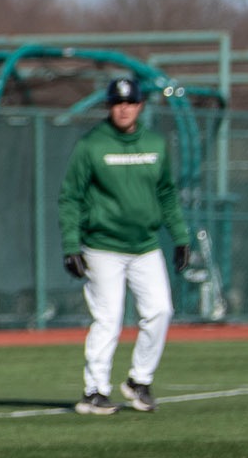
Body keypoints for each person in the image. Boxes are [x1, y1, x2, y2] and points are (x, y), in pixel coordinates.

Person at [60, 77, 190, 415]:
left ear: (140, 106)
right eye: (118, 103)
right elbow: (70, 197)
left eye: (130, 102)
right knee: (108, 319)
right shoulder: (91, 146)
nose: (124, 108)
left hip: (145, 245)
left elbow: (167, 194)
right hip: (102, 246)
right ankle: (95, 391)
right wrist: (71, 244)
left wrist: (180, 237)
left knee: (161, 310)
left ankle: (138, 381)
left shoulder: (155, 144)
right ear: (109, 106)